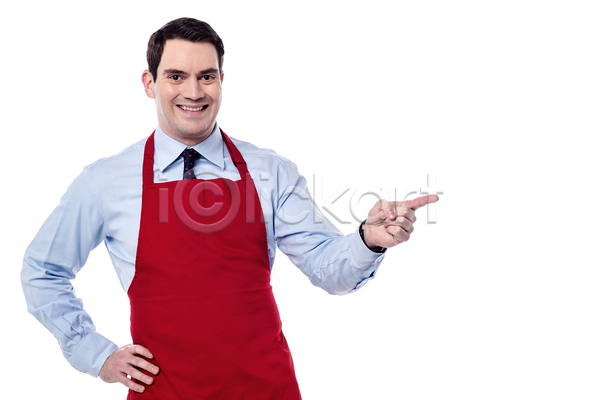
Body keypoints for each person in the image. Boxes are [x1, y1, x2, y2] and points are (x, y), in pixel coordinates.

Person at [21, 17, 439, 399]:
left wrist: (367, 240)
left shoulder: (269, 171)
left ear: (222, 80)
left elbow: (328, 269)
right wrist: (94, 354)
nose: (193, 92)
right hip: (164, 392)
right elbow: (42, 270)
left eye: (206, 76)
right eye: (176, 76)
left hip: (265, 388)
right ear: (149, 83)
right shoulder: (105, 181)